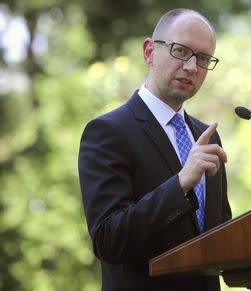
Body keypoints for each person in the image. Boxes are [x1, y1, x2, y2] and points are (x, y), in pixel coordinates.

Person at [78, 8, 231, 291]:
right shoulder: (108, 132)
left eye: (203, 58)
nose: (191, 67)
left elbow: (221, 232)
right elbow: (108, 240)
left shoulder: (207, 138)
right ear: (149, 52)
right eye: (181, 51)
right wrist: (181, 183)